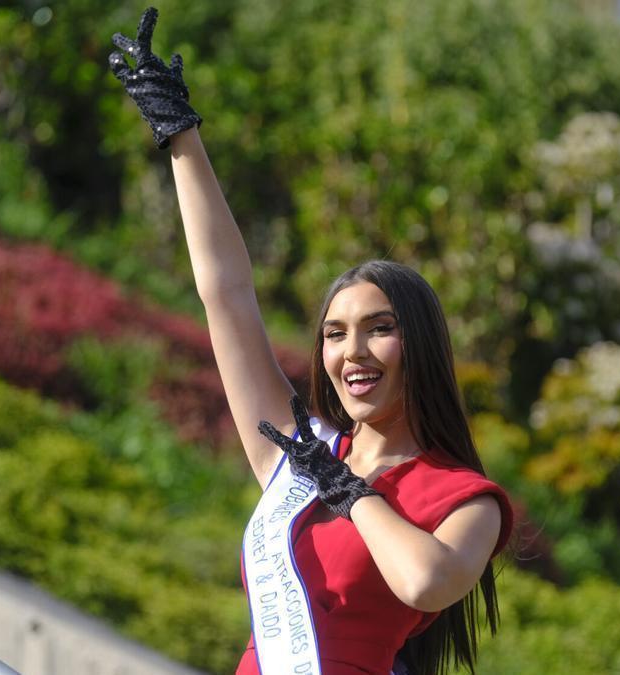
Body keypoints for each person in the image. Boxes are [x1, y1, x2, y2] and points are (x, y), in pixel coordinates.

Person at [109, 8, 513, 675]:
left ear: (422, 347)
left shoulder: (466, 498)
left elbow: (425, 582)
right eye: (334, 334)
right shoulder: (306, 455)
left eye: (379, 329)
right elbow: (228, 296)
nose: (351, 351)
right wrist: (178, 135)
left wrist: (351, 491)